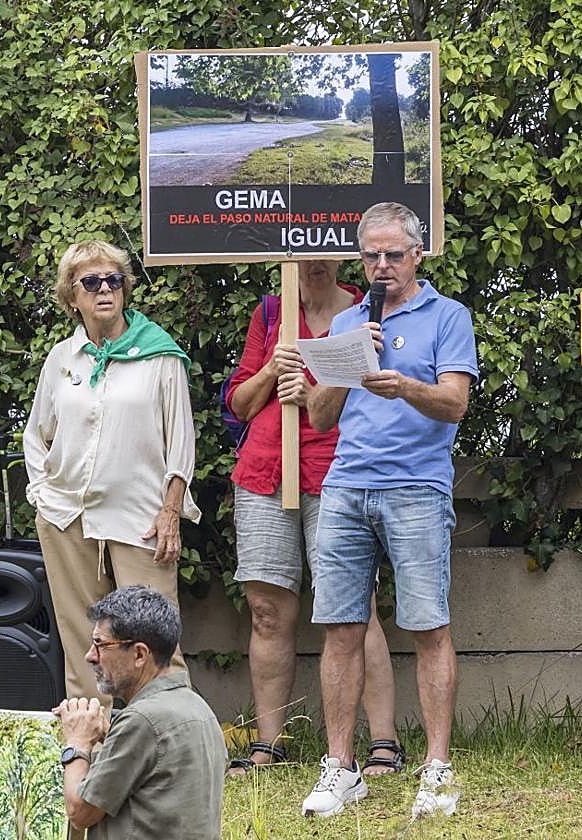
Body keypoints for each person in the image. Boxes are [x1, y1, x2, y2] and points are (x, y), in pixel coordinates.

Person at [301, 202, 478, 819]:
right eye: (371, 255)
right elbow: (319, 418)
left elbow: (454, 405)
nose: (380, 266)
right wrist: (348, 367)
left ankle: (436, 770)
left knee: (428, 626)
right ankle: (340, 768)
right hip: (347, 484)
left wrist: (402, 383)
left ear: (417, 255)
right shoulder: (350, 319)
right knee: (341, 627)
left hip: (416, 487)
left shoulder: (448, 316)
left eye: (392, 255)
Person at [225, 259, 401, 777]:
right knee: (267, 612)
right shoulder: (272, 311)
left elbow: (385, 399)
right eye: (303, 257)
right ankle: (268, 745)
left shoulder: (367, 312)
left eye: (325, 253)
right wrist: (272, 371)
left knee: (353, 608)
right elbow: (238, 403)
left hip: (338, 473)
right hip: (264, 472)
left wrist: (316, 392)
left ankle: (382, 743)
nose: (314, 265)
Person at [24, 240, 200, 707]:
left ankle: (172, 747)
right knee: (84, 641)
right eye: (92, 282)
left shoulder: (160, 355)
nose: (105, 290)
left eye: (114, 280)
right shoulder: (61, 359)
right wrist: (43, 494)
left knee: (155, 642)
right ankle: (90, 753)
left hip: (140, 516)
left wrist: (170, 511)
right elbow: (36, 434)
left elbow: (181, 442)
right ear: (72, 297)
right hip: (66, 516)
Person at [54, 585, 226, 839]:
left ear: (139, 654)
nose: (90, 656)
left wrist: (77, 745)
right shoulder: (197, 706)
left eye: (100, 645)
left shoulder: (143, 720)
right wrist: (109, 733)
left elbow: (80, 812)